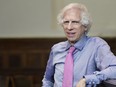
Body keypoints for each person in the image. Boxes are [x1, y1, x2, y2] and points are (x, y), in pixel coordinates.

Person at [42, 3, 116, 87]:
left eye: (75, 22)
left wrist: (87, 79)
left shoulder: (96, 45)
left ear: (85, 26)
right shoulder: (56, 49)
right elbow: (48, 80)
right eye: (66, 22)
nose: (69, 27)